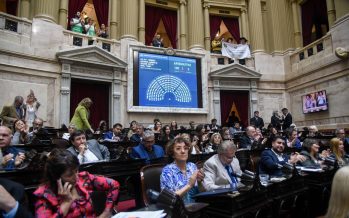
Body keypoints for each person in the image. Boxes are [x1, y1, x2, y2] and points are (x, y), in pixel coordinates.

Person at [34, 149, 119, 217]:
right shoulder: (44, 195)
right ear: (56, 177)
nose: (76, 177)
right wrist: (66, 204)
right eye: (69, 175)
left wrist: (106, 212)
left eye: (76, 170)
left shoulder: (83, 178)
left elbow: (114, 184)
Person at [160, 137, 204, 204]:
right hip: (178, 210)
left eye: (186, 148)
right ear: (172, 154)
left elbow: (201, 192)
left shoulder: (192, 166)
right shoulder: (167, 171)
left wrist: (200, 182)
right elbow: (169, 199)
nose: (183, 151)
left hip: (197, 206)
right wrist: (189, 185)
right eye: (178, 148)